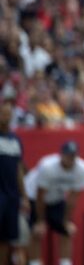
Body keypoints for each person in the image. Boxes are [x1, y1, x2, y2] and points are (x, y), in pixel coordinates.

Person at [24, 141, 84, 265]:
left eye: (73, 156)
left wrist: (66, 221)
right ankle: (35, 262)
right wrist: (40, 220)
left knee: (66, 230)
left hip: (57, 197)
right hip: (33, 196)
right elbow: (40, 195)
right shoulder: (48, 166)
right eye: (68, 155)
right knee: (36, 231)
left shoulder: (82, 168)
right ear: (61, 155)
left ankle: (65, 262)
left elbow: (72, 198)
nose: (71, 159)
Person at [1, 98, 26, 265]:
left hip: (12, 196)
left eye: (9, 113)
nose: (6, 116)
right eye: (3, 113)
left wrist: (23, 196)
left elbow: (19, 170)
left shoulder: (15, 140)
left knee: (7, 239)